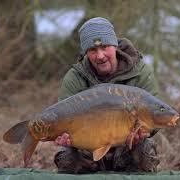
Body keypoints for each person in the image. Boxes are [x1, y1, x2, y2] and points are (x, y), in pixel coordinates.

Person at [54, 17, 160, 173]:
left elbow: (155, 113)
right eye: (92, 50)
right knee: (66, 157)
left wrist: (146, 131)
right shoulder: (75, 77)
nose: (100, 55)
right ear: (86, 53)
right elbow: (61, 117)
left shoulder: (140, 72)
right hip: (87, 146)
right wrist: (64, 137)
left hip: (126, 146)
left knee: (145, 150)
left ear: (115, 45)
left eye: (105, 47)